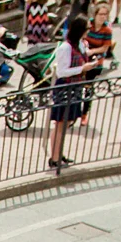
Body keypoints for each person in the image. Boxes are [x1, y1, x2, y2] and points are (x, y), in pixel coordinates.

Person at [47, 16, 91, 170]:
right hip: (65, 87)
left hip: (75, 87)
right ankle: (55, 157)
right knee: (60, 123)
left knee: (67, 122)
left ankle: (59, 153)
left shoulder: (80, 45)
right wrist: (82, 69)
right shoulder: (66, 47)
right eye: (87, 29)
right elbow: (62, 71)